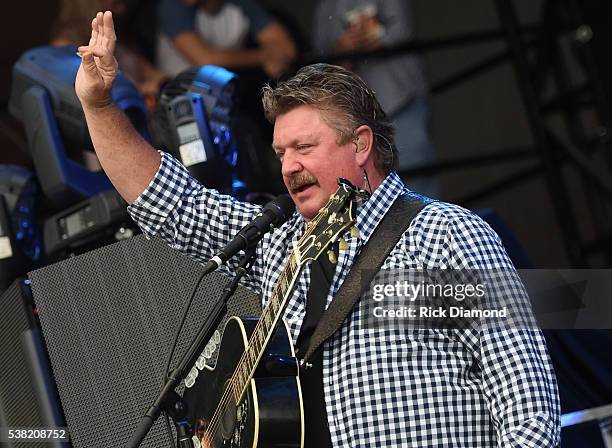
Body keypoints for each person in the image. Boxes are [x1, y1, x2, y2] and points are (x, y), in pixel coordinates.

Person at [75, 11, 561, 447]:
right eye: (281, 153)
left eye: (304, 148)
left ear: (361, 144)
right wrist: (98, 107)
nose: (288, 167)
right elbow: (171, 204)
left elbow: (525, 402)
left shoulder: (441, 235)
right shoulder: (279, 241)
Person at [313, 0, 439, 198]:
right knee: (369, 186)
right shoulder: (326, 5)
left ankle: (429, 228)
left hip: (400, 99)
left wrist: (374, 35)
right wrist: (342, 47)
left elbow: (402, 31)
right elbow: (321, 54)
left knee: (416, 177)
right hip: (354, 113)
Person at [156, 0, 297, 79]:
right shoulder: (172, 6)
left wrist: (275, 57)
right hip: (181, 96)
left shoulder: (241, 4)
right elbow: (205, 59)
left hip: (225, 90)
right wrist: (264, 56)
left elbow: (286, 47)